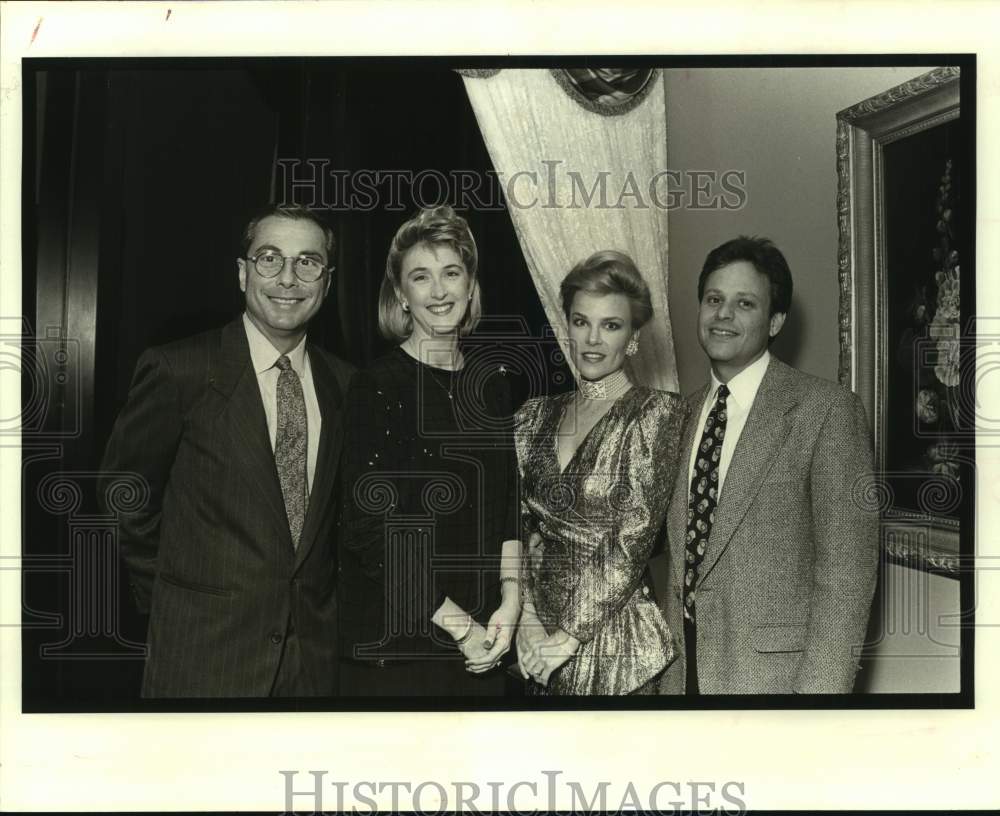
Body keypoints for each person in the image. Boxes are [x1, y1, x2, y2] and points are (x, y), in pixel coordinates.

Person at [98, 204, 354, 698]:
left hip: (312, 670)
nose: (288, 278)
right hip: (201, 660)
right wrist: (179, 599)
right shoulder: (180, 370)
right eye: (269, 258)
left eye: (308, 262)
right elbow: (125, 497)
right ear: (242, 273)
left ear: (327, 280)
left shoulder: (344, 384)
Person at [659, 236, 879, 695]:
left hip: (774, 687)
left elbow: (847, 578)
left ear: (775, 320)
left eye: (745, 303)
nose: (723, 315)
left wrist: (814, 710)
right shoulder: (680, 415)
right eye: (714, 299)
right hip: (681, 678)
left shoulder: (827, 411)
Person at [336, 206, 520, 696]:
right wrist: (462, 627)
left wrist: (510, 603)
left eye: (451, 273)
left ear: (470, 284)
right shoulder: (375, 386)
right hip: (402, 650)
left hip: (488, 641)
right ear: (401, 294)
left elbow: (507, 510)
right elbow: (369, 532)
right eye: (421, 277)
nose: (439, 292)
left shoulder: (495, 385)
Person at [513, 250, 689, 695]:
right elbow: (516, 527)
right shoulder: (533, 417)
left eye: (610, 325)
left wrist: (566, 640)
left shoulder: (655, 414)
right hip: (537, 645)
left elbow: (631, 538)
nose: (592, 339)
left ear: (632, 338)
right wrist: (528, 621)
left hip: (614, 646)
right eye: (580, 321)